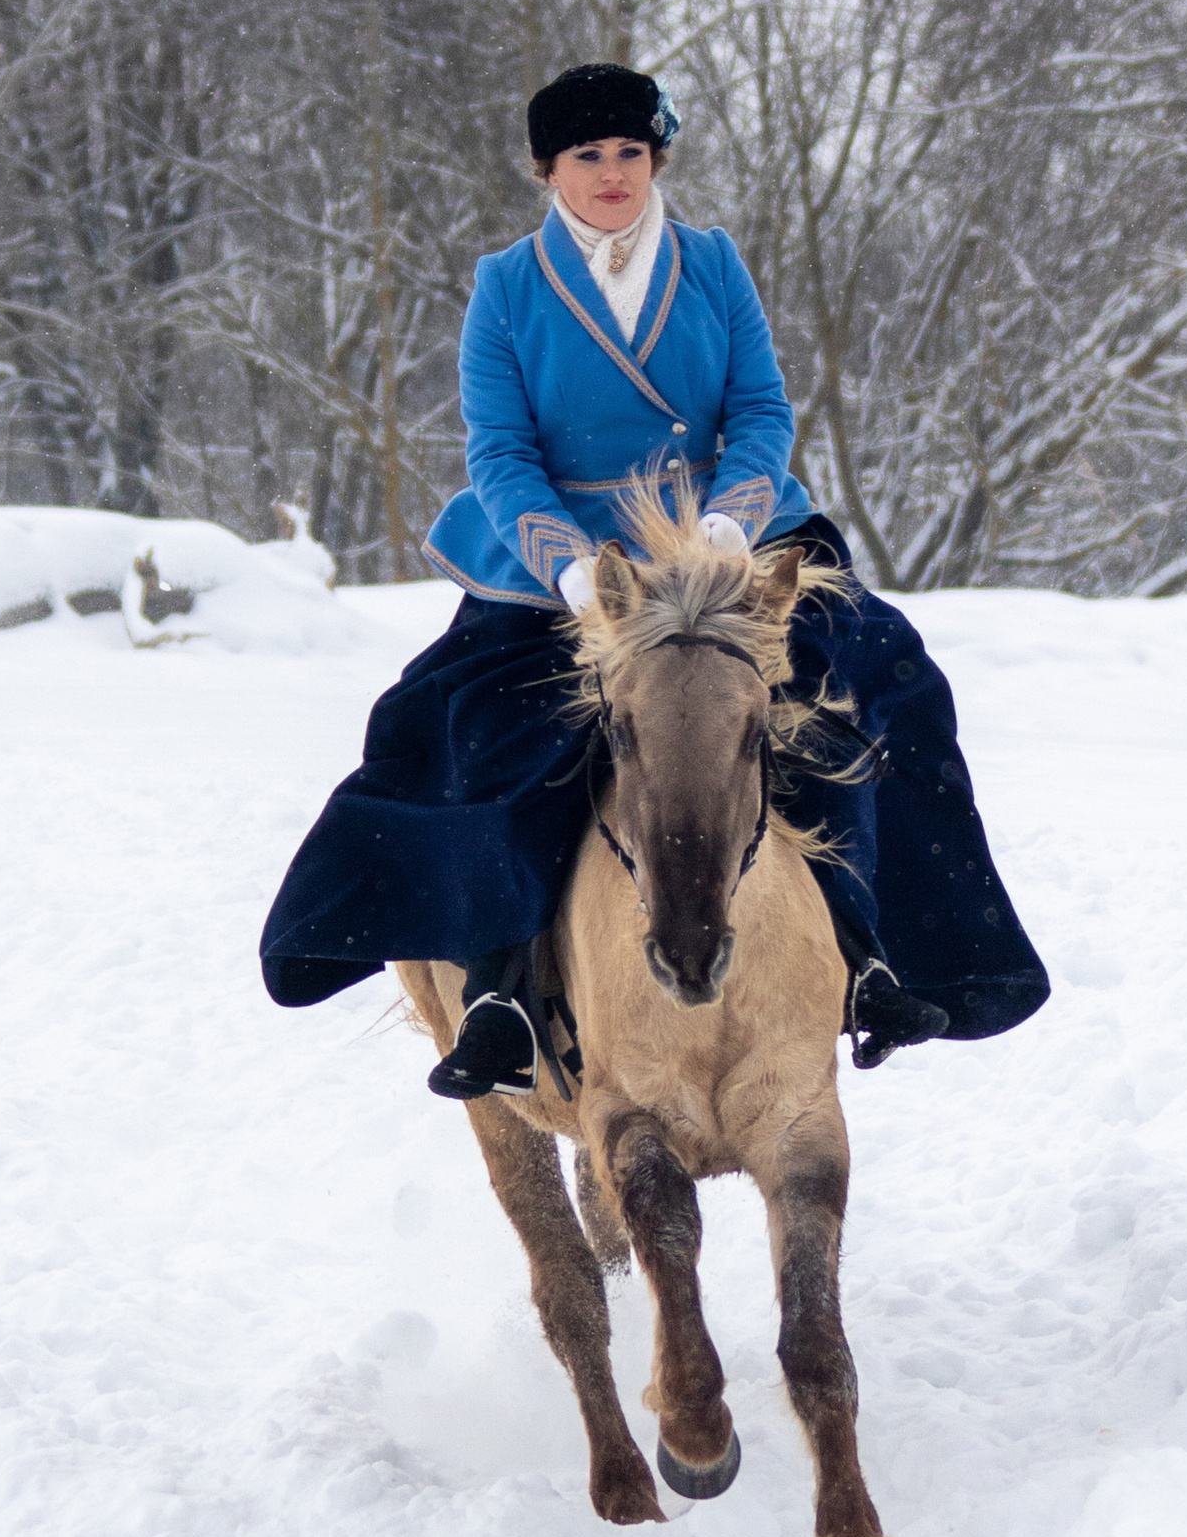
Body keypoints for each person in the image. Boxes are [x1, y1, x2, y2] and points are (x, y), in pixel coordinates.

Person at [259, 63, 1048, 1098]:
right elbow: (498, 456)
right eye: (588, 156)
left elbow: (761, 412)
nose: (612, 173)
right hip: (570, 563)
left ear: (656, 157)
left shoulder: (713, 264)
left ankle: (870, 954)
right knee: (484, 728)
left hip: (731, 543)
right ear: (548, 169)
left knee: (872, 681)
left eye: (630, 152)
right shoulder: (506, 286)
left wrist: (727, 522)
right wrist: (572, 571)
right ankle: (498, 993)